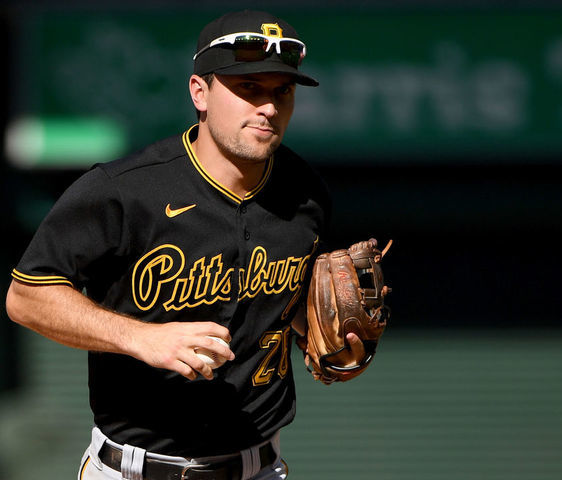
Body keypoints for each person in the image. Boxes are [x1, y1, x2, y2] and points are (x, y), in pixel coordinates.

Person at [5, 9, 366, 480]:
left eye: (282, 91)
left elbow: (295, 308)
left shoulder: (306, 193)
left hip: (257, 466)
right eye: (248, 89)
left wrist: (330, 340)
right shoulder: (124, 189)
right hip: (134, 468)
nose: (269, 107)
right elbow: (26, 296)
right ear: (200, 92)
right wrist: (140, 337)